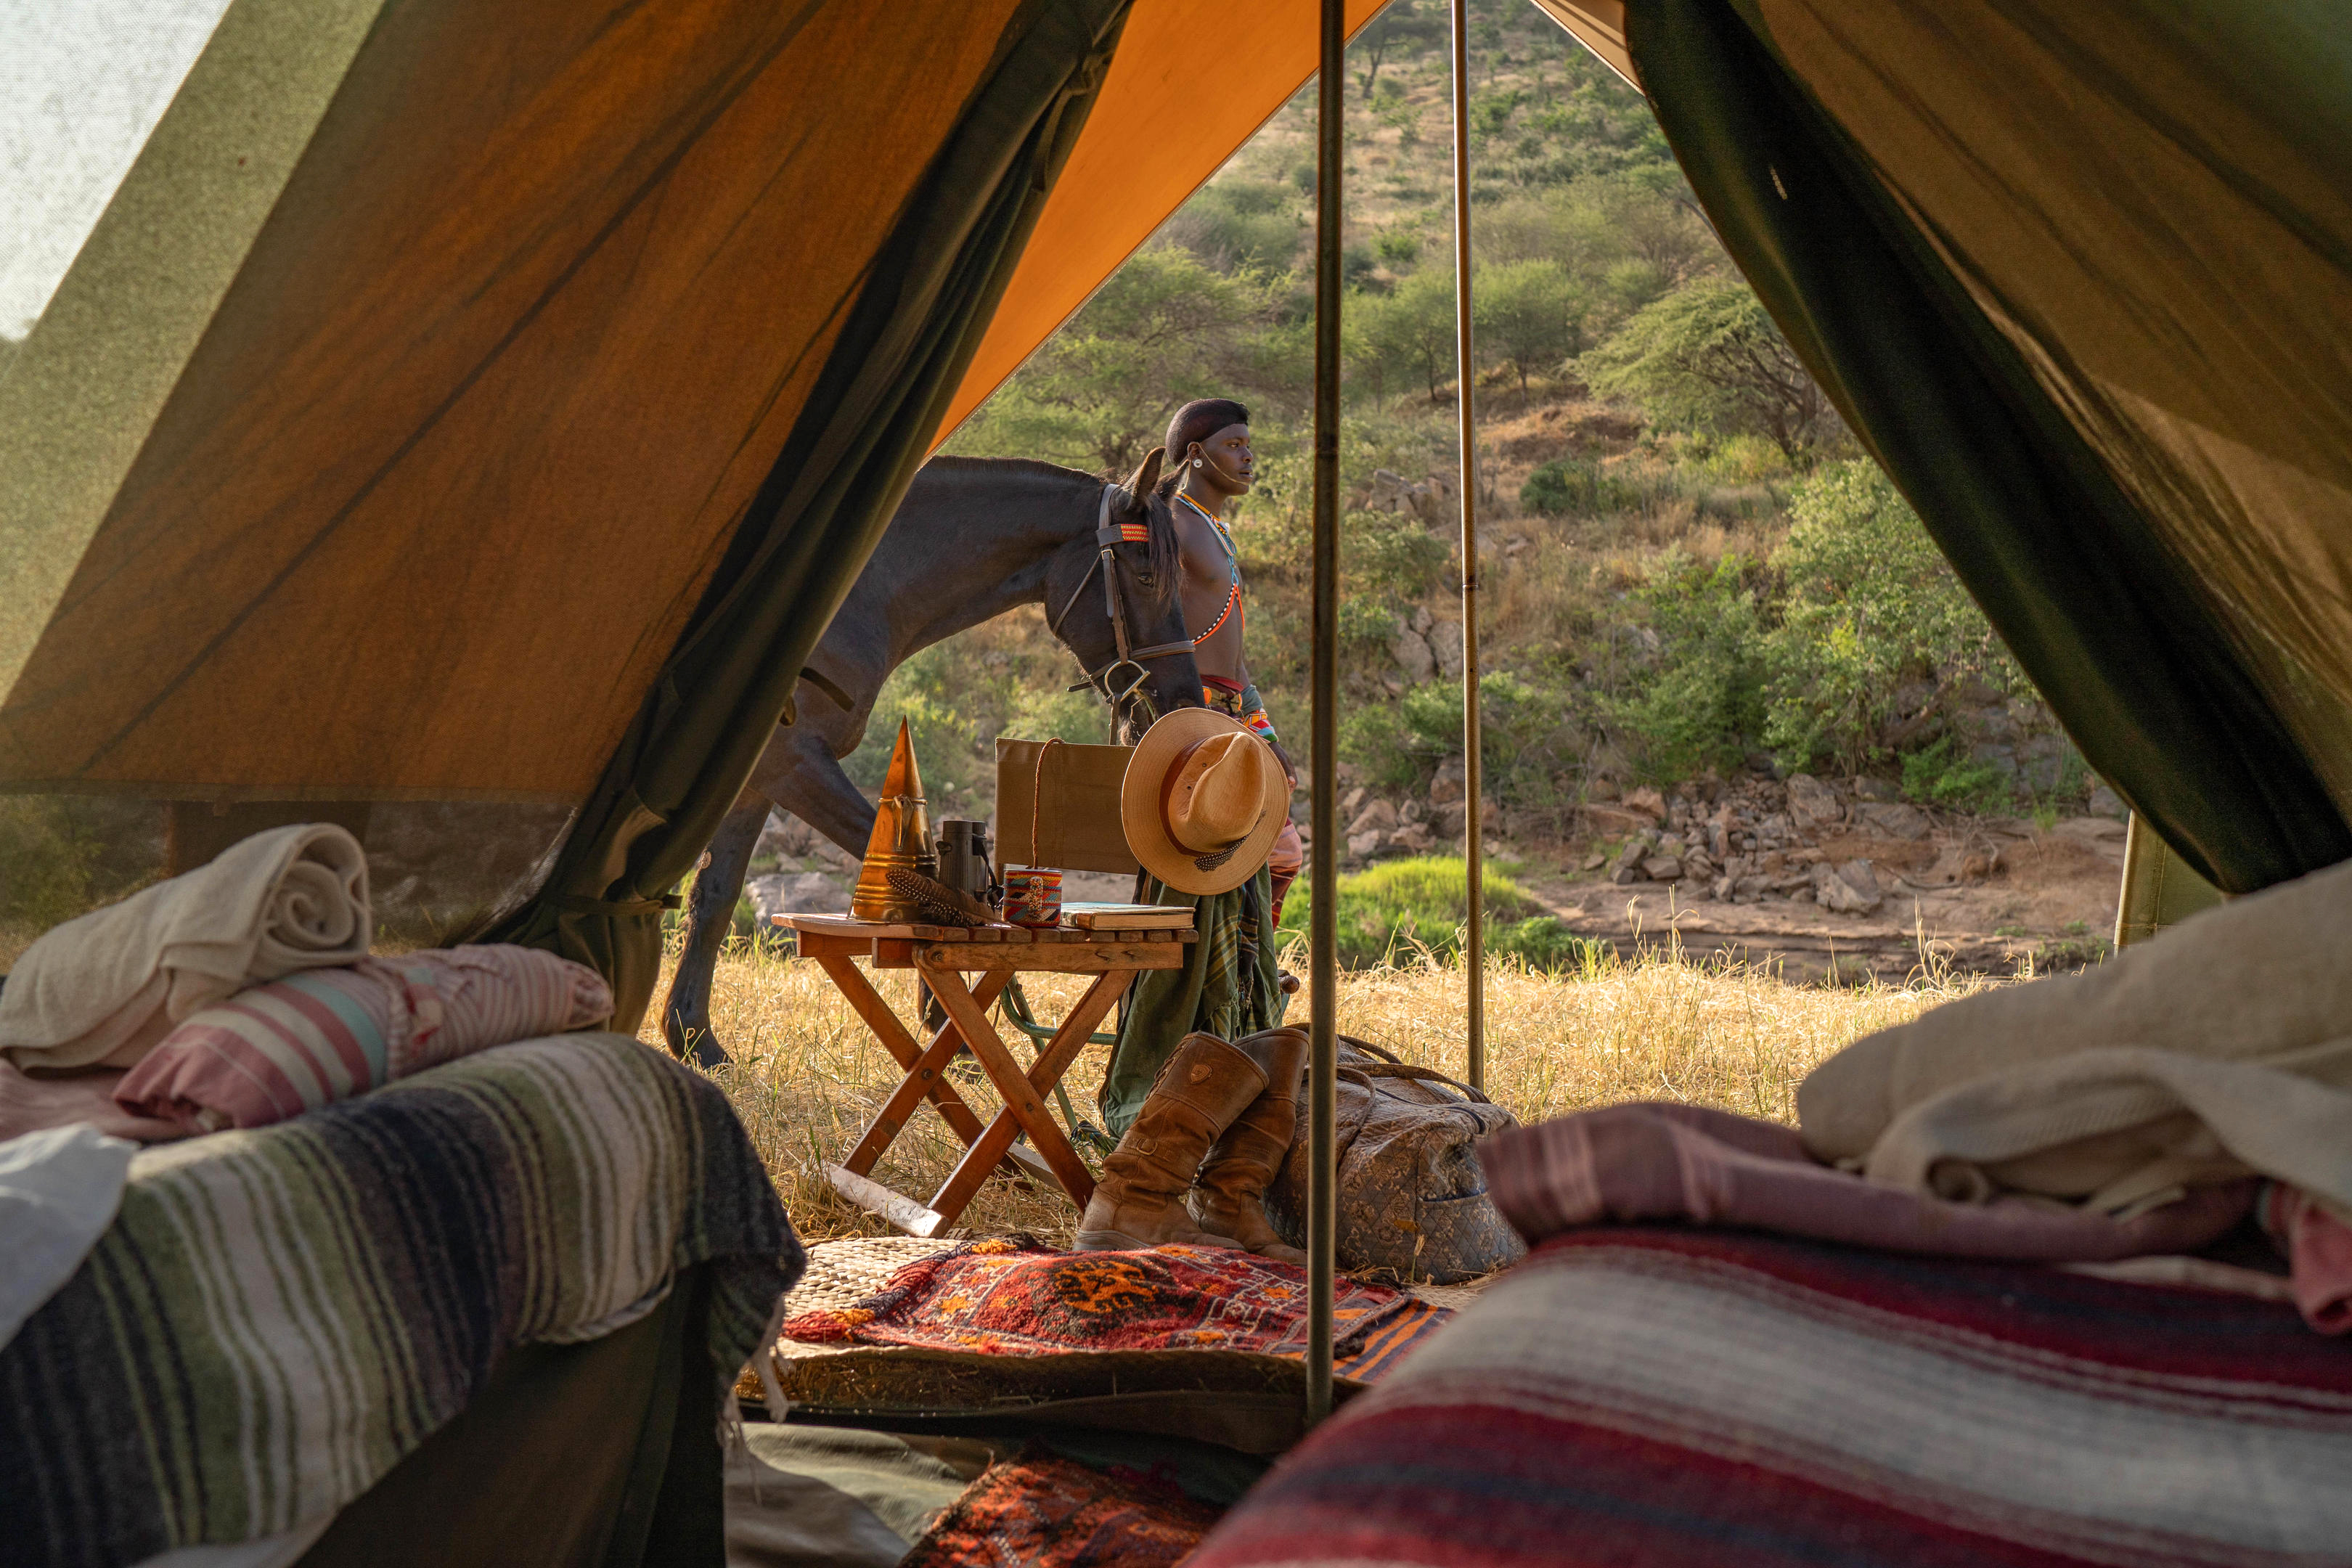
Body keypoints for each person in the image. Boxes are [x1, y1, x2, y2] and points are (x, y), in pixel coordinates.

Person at [1159, 398, 1305, 921]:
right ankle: (1238, 972)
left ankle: (1248, 972)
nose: (1248, 457)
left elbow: (1237, 661)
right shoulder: (1171, 525)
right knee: (1256, 849)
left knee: (1279, 849)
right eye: (1234, 445)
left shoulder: (1214, 530)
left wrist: (1264, 734)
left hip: (1231, 710)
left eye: (1249, 445)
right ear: (1196, 455)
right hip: (1194, 716)